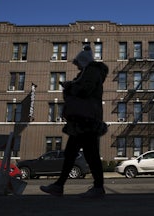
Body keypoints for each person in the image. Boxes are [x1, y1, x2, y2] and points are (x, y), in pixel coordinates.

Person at [40, 45, 108, 198]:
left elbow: (85, 90)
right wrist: (72, 85)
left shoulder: (91, 71)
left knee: (88, 154)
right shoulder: (87, 72)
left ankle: (96, 188)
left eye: (78, 62)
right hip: (83, 120)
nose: (76, 66)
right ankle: (60, 186)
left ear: (84, 61)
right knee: (76, 153)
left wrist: (70, 87)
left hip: (86, 120)